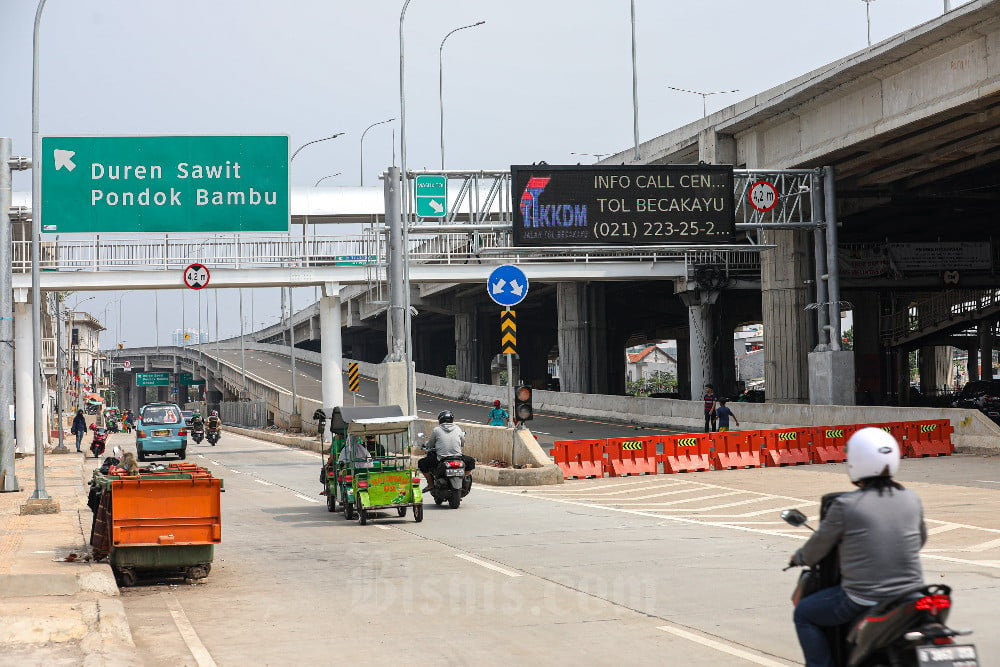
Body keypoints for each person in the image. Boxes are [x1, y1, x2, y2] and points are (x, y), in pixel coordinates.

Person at [790, 428, 926, 667]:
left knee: (804, 613)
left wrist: (800, 557)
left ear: (856, 461)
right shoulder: (911, 498)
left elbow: (818, 546)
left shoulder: (846, 505)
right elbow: (920, 539)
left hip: (862, 596)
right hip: (910, 593)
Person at [418, 410, 474, 491]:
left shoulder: (437, 430)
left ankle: (430, 484)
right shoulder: (457, 428)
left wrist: (426, 445)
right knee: (471, 461)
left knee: (422, 463)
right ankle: (464, 479)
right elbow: (462, 443)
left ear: (440, 420)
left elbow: (430, 444)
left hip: (442, 459)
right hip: (458, 457)